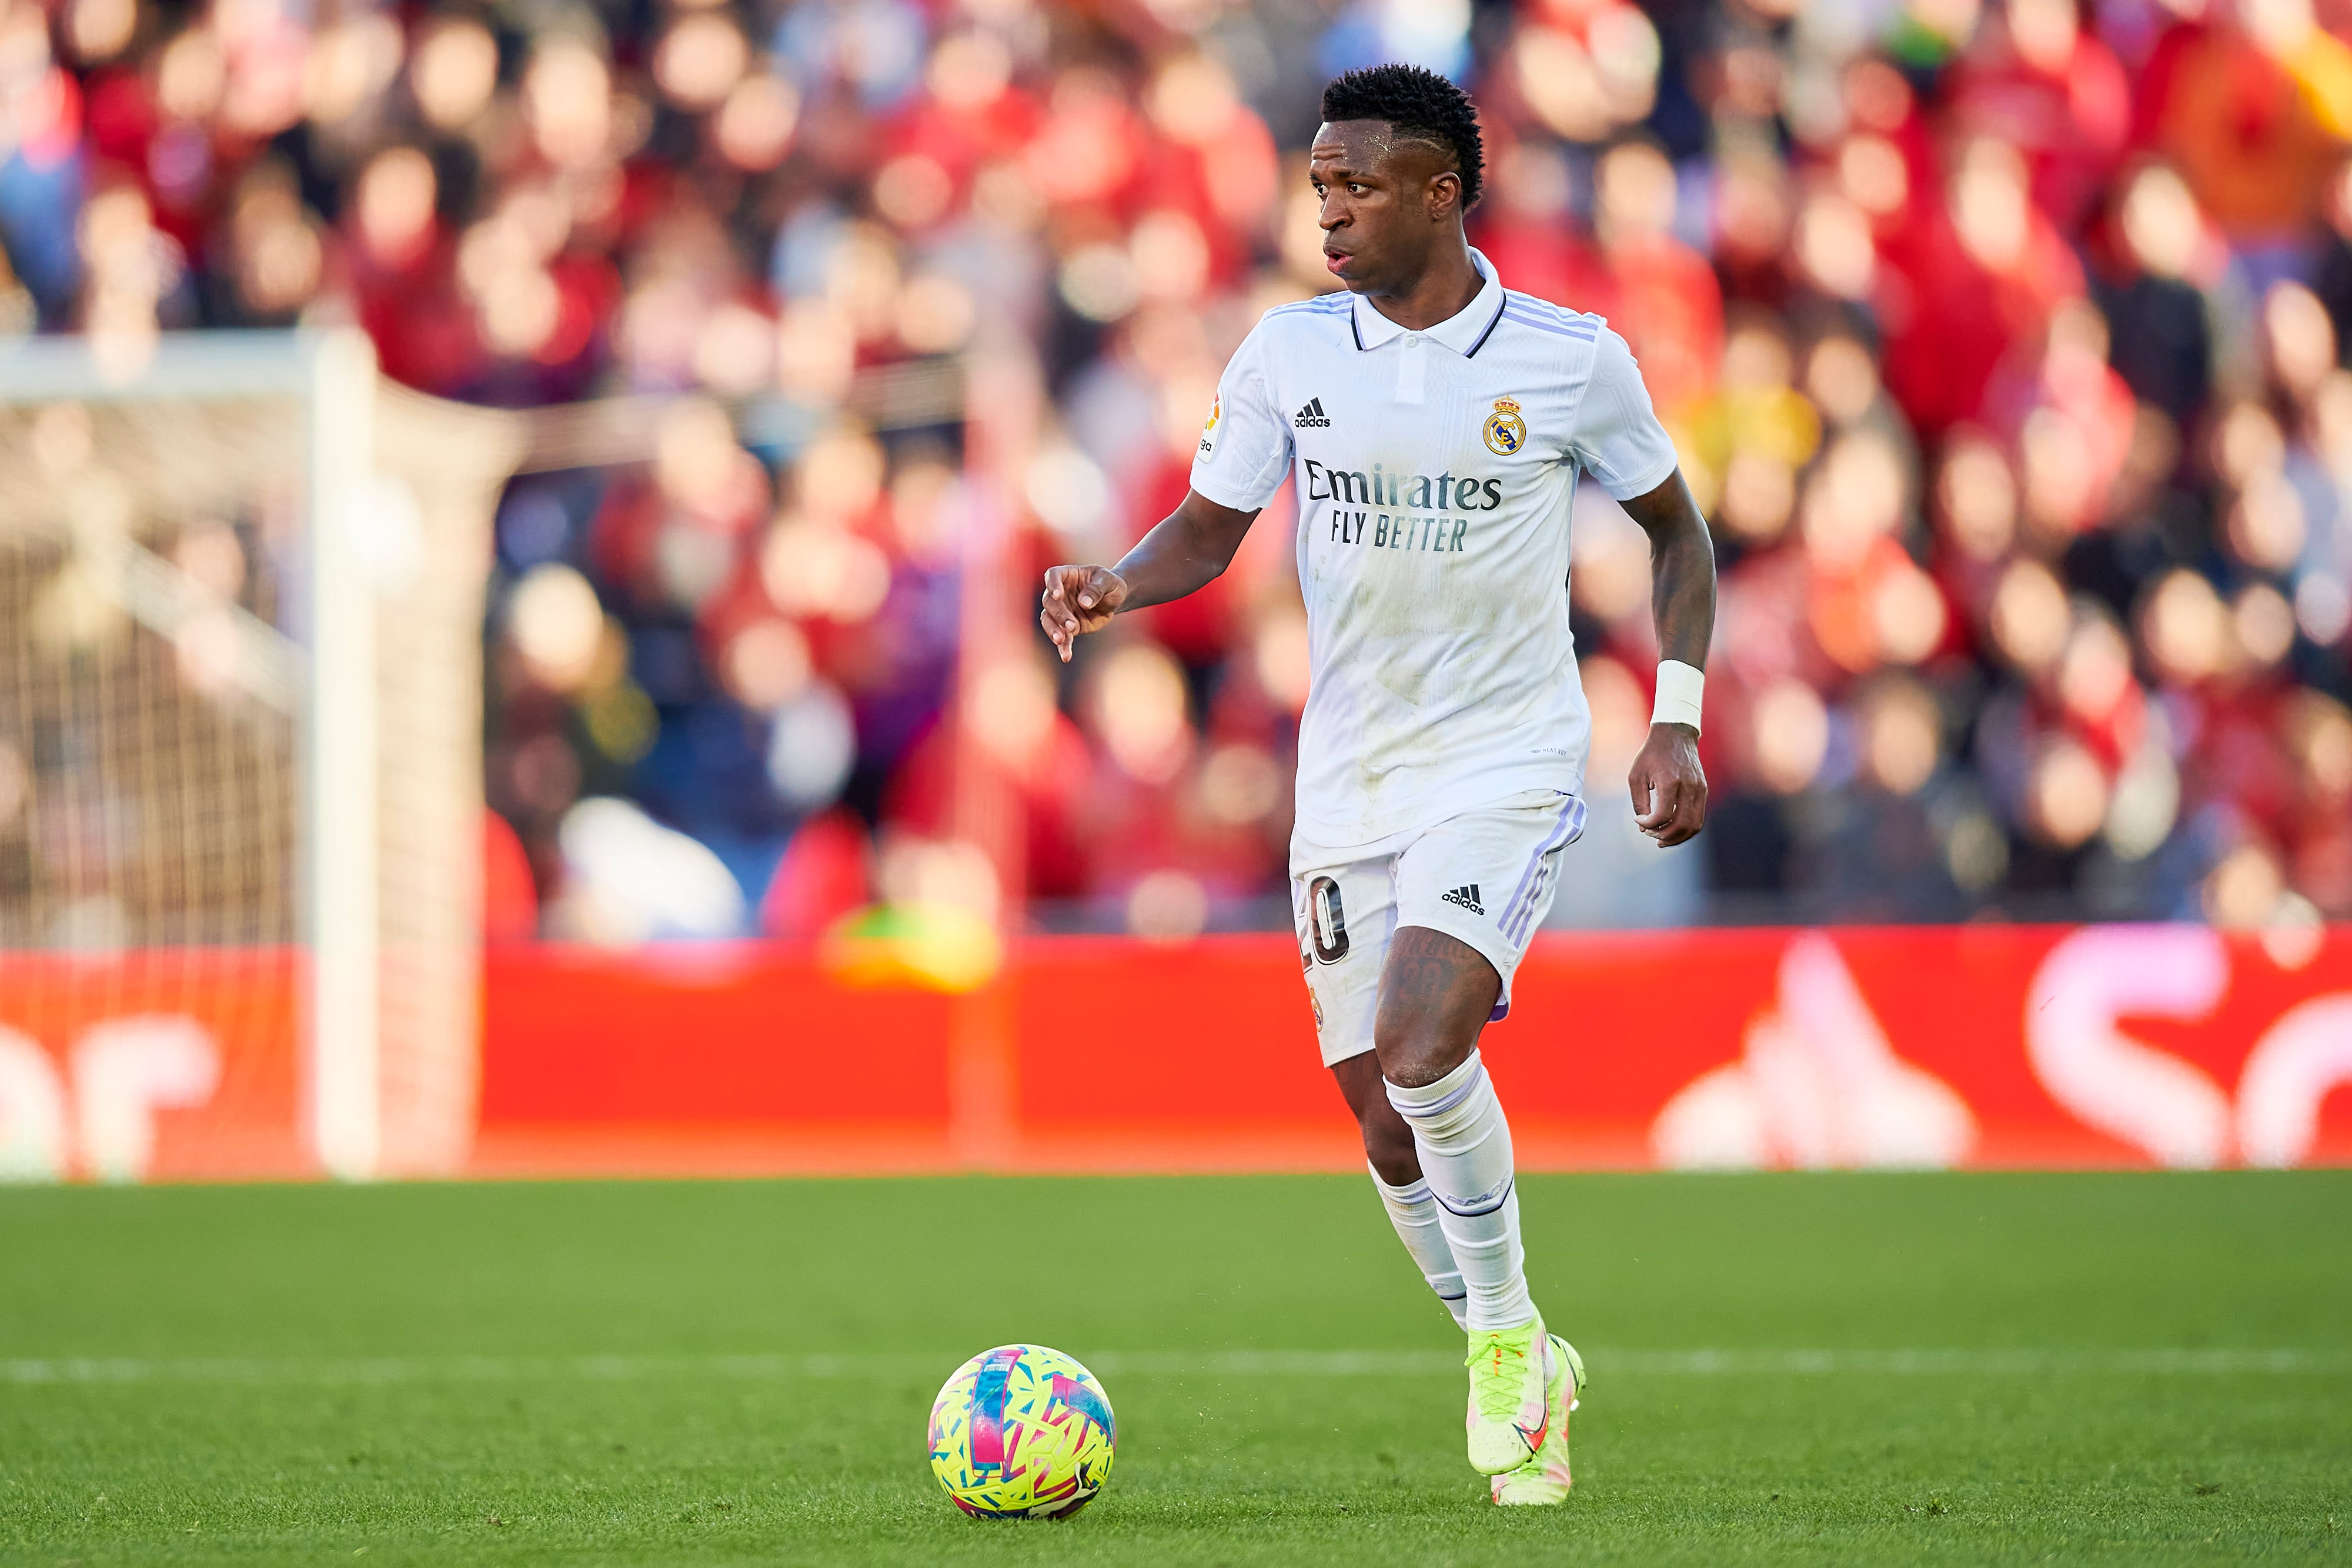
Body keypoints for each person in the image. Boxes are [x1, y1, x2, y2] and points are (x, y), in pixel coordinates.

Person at [1038, 63, 1716, 1507]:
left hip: (1506, 757)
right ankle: (1515, 1338)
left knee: (1420, 1040)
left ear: (1437, 190)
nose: (1328, 211)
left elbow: (1676, 532)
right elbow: (1208, 530)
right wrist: (1114, 582)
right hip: (1348, 774)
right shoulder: (1288, 354)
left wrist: (1674, 717)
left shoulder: (1567, 356)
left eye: (1355, 186)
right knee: (1376, 1105)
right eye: (1318, 187)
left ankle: (1500, 1347)